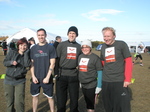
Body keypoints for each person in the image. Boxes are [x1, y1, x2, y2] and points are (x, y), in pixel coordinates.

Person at [100, 27, 132, 112]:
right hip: (106, 80)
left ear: (114, 36)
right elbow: (103, 62)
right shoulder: (103, 47)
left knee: (120, 107)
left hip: (119, 80)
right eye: (104, 36)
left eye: (108, 36)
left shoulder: (121, 44)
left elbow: (128, 62)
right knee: (108, 106)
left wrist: (127, 79)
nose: (106, 39)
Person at [30, 28, 56, 112]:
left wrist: (48, 77)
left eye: (42, 35)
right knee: (35, 96)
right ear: (37, 36)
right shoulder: (33, 48)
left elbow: (52, 63)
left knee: (50, 97)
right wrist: (33, 76)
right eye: (39, 35)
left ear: (45, 35)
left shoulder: (50, 48)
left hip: (47, 78)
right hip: (36, 78)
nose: (41, 37)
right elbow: (32, 64)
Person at [56, 26, 81, 112]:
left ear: (76, 35)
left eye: (73, 33)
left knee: (74, 98)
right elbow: (57, 59)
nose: (71, 35)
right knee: (60, 98)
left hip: (73, 75)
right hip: (61, 74)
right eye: (70, 33)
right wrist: (56, 72)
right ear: (67, 34)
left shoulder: (79, 47)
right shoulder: (61, 45)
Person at [3, 37, 31, 112]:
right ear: (18, 45)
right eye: (21, 45)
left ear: (27, 46)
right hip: (8, 80)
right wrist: (11, 62)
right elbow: (5, 62)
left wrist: (26, 54)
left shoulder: (27, 55)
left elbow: (27, 64)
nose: (23, 47)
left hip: (20, 81)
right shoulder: (12, 52)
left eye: (25, 45)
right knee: (9, 102)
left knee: (19, 102)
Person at [78, 40, 102, 112]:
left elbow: (100, 72)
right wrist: (80, 81)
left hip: (91, 84)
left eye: (87, 47)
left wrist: (99, 85)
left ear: (90, 48)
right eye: (83, 47)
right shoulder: (80, 56)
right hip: (83, 84)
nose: (84, 49)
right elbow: (80, 70)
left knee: (90, 106)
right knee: (87, 102)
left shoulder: (95, 58)